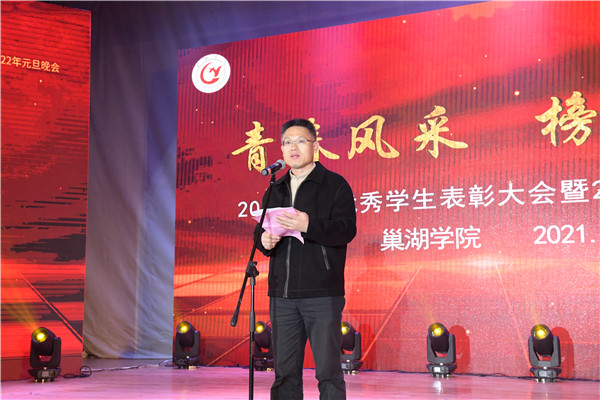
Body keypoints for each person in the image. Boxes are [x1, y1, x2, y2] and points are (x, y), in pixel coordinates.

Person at [255, 118, 357, 400]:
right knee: (284, 375)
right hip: (282, 295)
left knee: (328, 373)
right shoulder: (275, 188)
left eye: (300, 141)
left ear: (315, 145)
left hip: (322, 294)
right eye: (287, 142)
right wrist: (264, 241)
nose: (293, 147)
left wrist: (308, 225)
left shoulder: (334, 185)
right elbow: (260, 231)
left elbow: (346, 230)